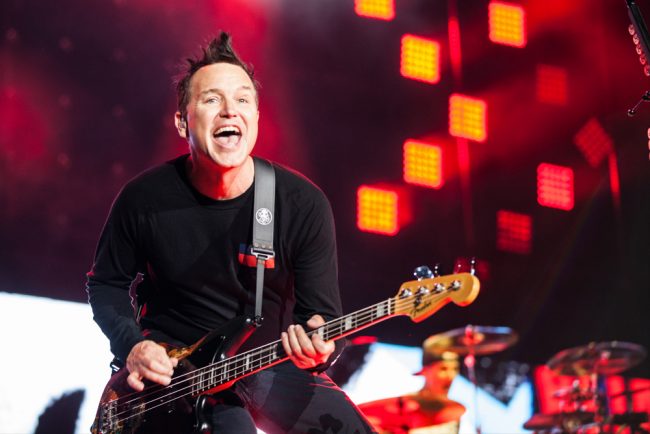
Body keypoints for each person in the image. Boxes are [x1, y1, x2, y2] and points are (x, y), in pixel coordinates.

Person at [86, 31, 374, 434]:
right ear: (182, 122)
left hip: (267, 364)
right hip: (176, 377)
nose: (229, 111)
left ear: (255, 118)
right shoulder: (144, 198)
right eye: (211, 100)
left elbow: (322, 316)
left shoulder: (302, 203)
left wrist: (319, 349)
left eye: (242, 100)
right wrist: (133, 345)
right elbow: (106, 285)